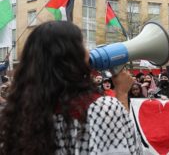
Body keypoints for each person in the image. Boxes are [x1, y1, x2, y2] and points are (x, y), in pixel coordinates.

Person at [0, 21, 142, 155]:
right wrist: (122, 94)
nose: (89, 51)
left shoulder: (18, 111)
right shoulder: (100, 108)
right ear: (73, 58)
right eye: (83, 45)